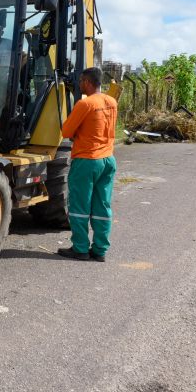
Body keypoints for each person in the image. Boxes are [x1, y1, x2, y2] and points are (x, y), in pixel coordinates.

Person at [57, 67, 118, 262]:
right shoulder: (112, 101)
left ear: (88, 83)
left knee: (79, 205)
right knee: (102, 205)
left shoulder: (85, 104)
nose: (80, 84)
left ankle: (80, 248)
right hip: (108, 159)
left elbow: (66, 131)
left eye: (82, 81)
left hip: (87, 160)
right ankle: (100, 250)